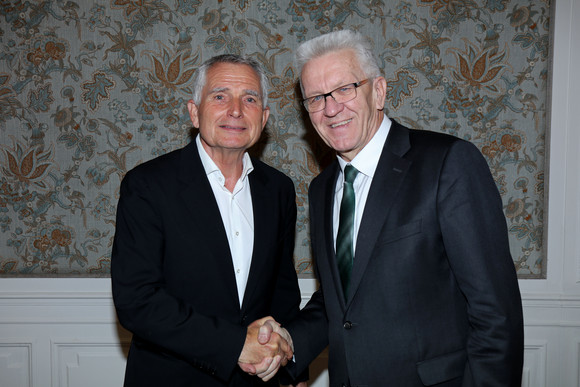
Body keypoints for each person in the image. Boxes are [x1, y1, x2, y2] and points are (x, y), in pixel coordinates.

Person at [254, 29, 524, 386]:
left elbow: (495, 314)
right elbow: (342, 302)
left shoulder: (447, 164)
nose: (331, 108)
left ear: (378, 90)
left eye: (345, 89)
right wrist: (289, 342)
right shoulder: (322, 189)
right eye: (316, 98)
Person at [111, 54, 307, 387]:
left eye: (250, 99)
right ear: (194, 112)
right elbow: (137, 300)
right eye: (220, 96)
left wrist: (291, 370)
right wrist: (234, 345)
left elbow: (283, 291)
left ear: (264, 116)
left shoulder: (278, 190)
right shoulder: (147, 186)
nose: (235, 110)